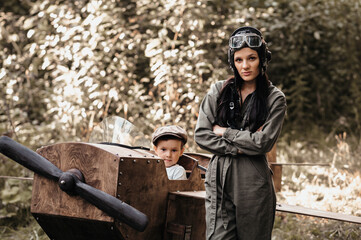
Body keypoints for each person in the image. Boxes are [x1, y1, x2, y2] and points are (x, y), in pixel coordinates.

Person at [195, 26, 287, 239]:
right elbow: (202, 135)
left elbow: (263, 143)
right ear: (232, 61)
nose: (245, 66)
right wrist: (242, 146)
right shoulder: (218, 91)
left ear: (262, 59)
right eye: (239, 60)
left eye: (252, 58)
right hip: (218, 174)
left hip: (252, 179)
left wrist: (225, 132)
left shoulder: (275, 99)